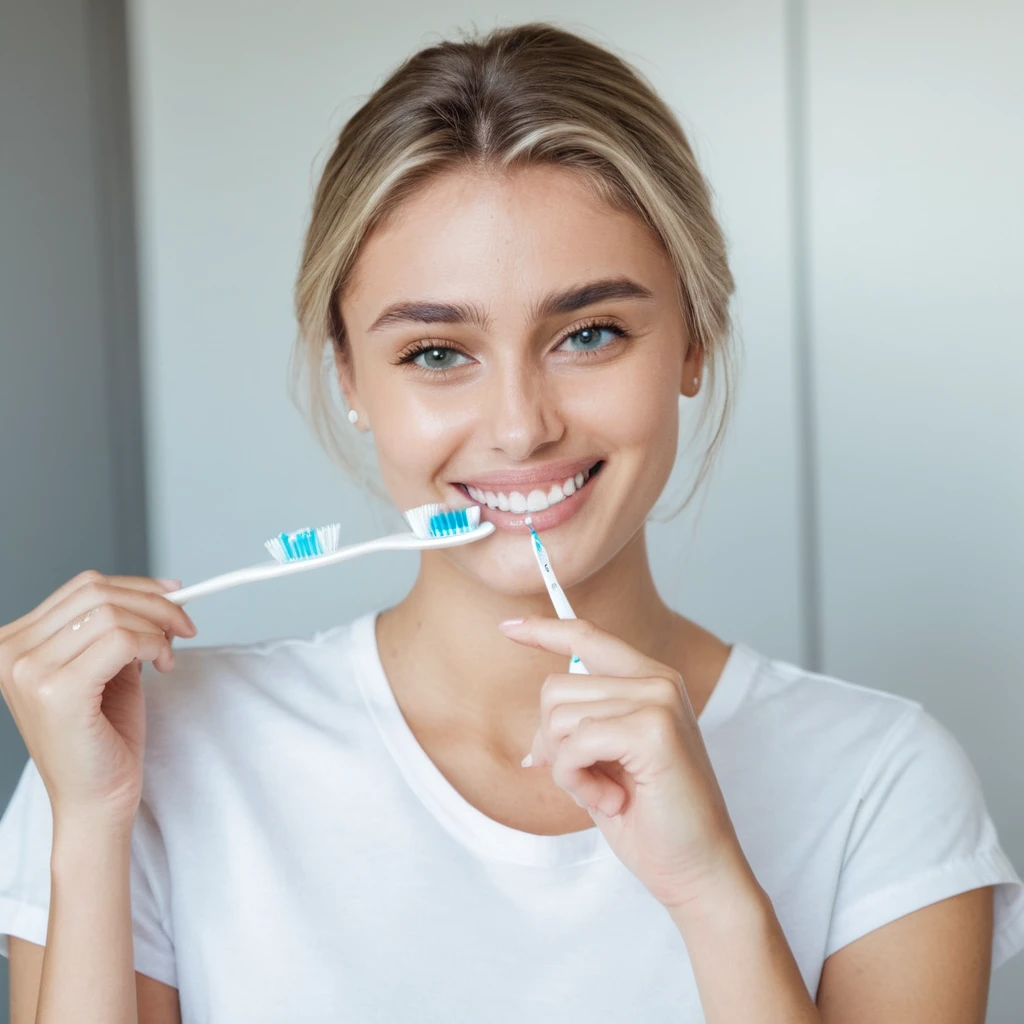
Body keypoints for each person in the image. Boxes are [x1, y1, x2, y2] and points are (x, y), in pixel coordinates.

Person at [1, 21, 1022, 1024]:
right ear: (351, 376)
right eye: (437, 352)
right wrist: (89, 824)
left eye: (588, 333)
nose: (521, 425)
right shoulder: (140, 754)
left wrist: (713, 894)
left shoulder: (880, 781)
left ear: (694, 342)